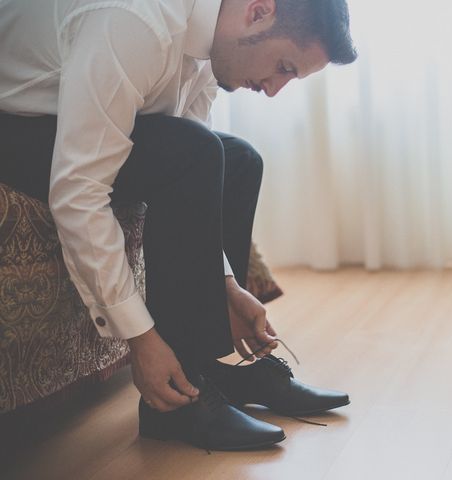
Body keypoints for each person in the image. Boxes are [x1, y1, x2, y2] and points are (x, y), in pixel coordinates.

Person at [0, 0, 357, 451]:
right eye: (283, 66)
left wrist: (224, 283)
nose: (273, 90)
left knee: (239, 160)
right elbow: (78, 192)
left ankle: (206, 374)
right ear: (258, 11)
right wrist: (141, 338)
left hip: (67, 111)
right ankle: (175, 406)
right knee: (199, 152)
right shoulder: (137, 19)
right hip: (15, 120)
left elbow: (195, 168)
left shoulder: (212, 45)